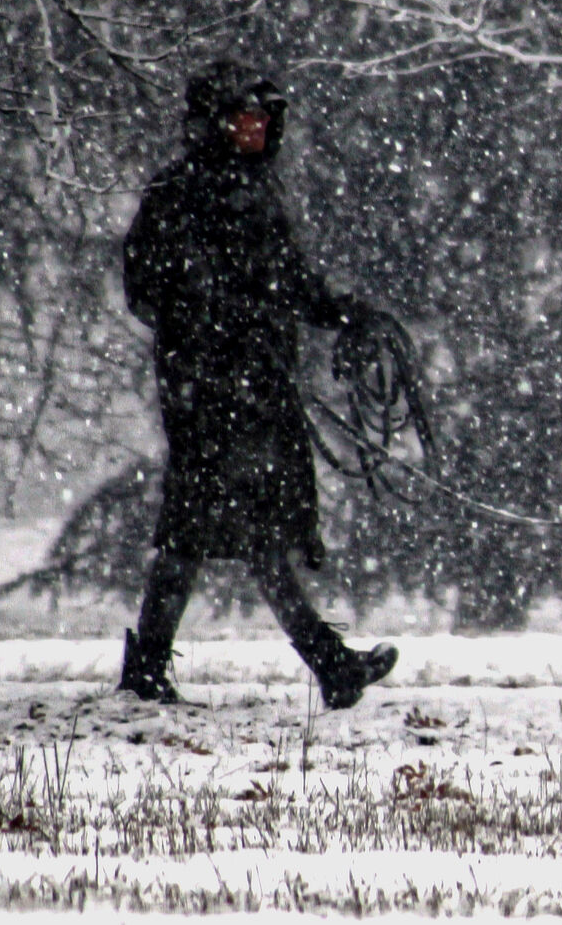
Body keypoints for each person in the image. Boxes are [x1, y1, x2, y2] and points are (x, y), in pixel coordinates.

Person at [116, 61, 400, 708]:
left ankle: (318, 665)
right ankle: (317, 664)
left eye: (265, 118)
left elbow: (290, 284)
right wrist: (217, 334)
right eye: (247, 116)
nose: (259, 127)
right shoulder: (178, 193)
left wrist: (344, 313)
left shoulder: (257, 192)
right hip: (207, 395)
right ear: (216, 122)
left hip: (258, 390)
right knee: (210, 531)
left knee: (237, 532)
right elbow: (148, 291)